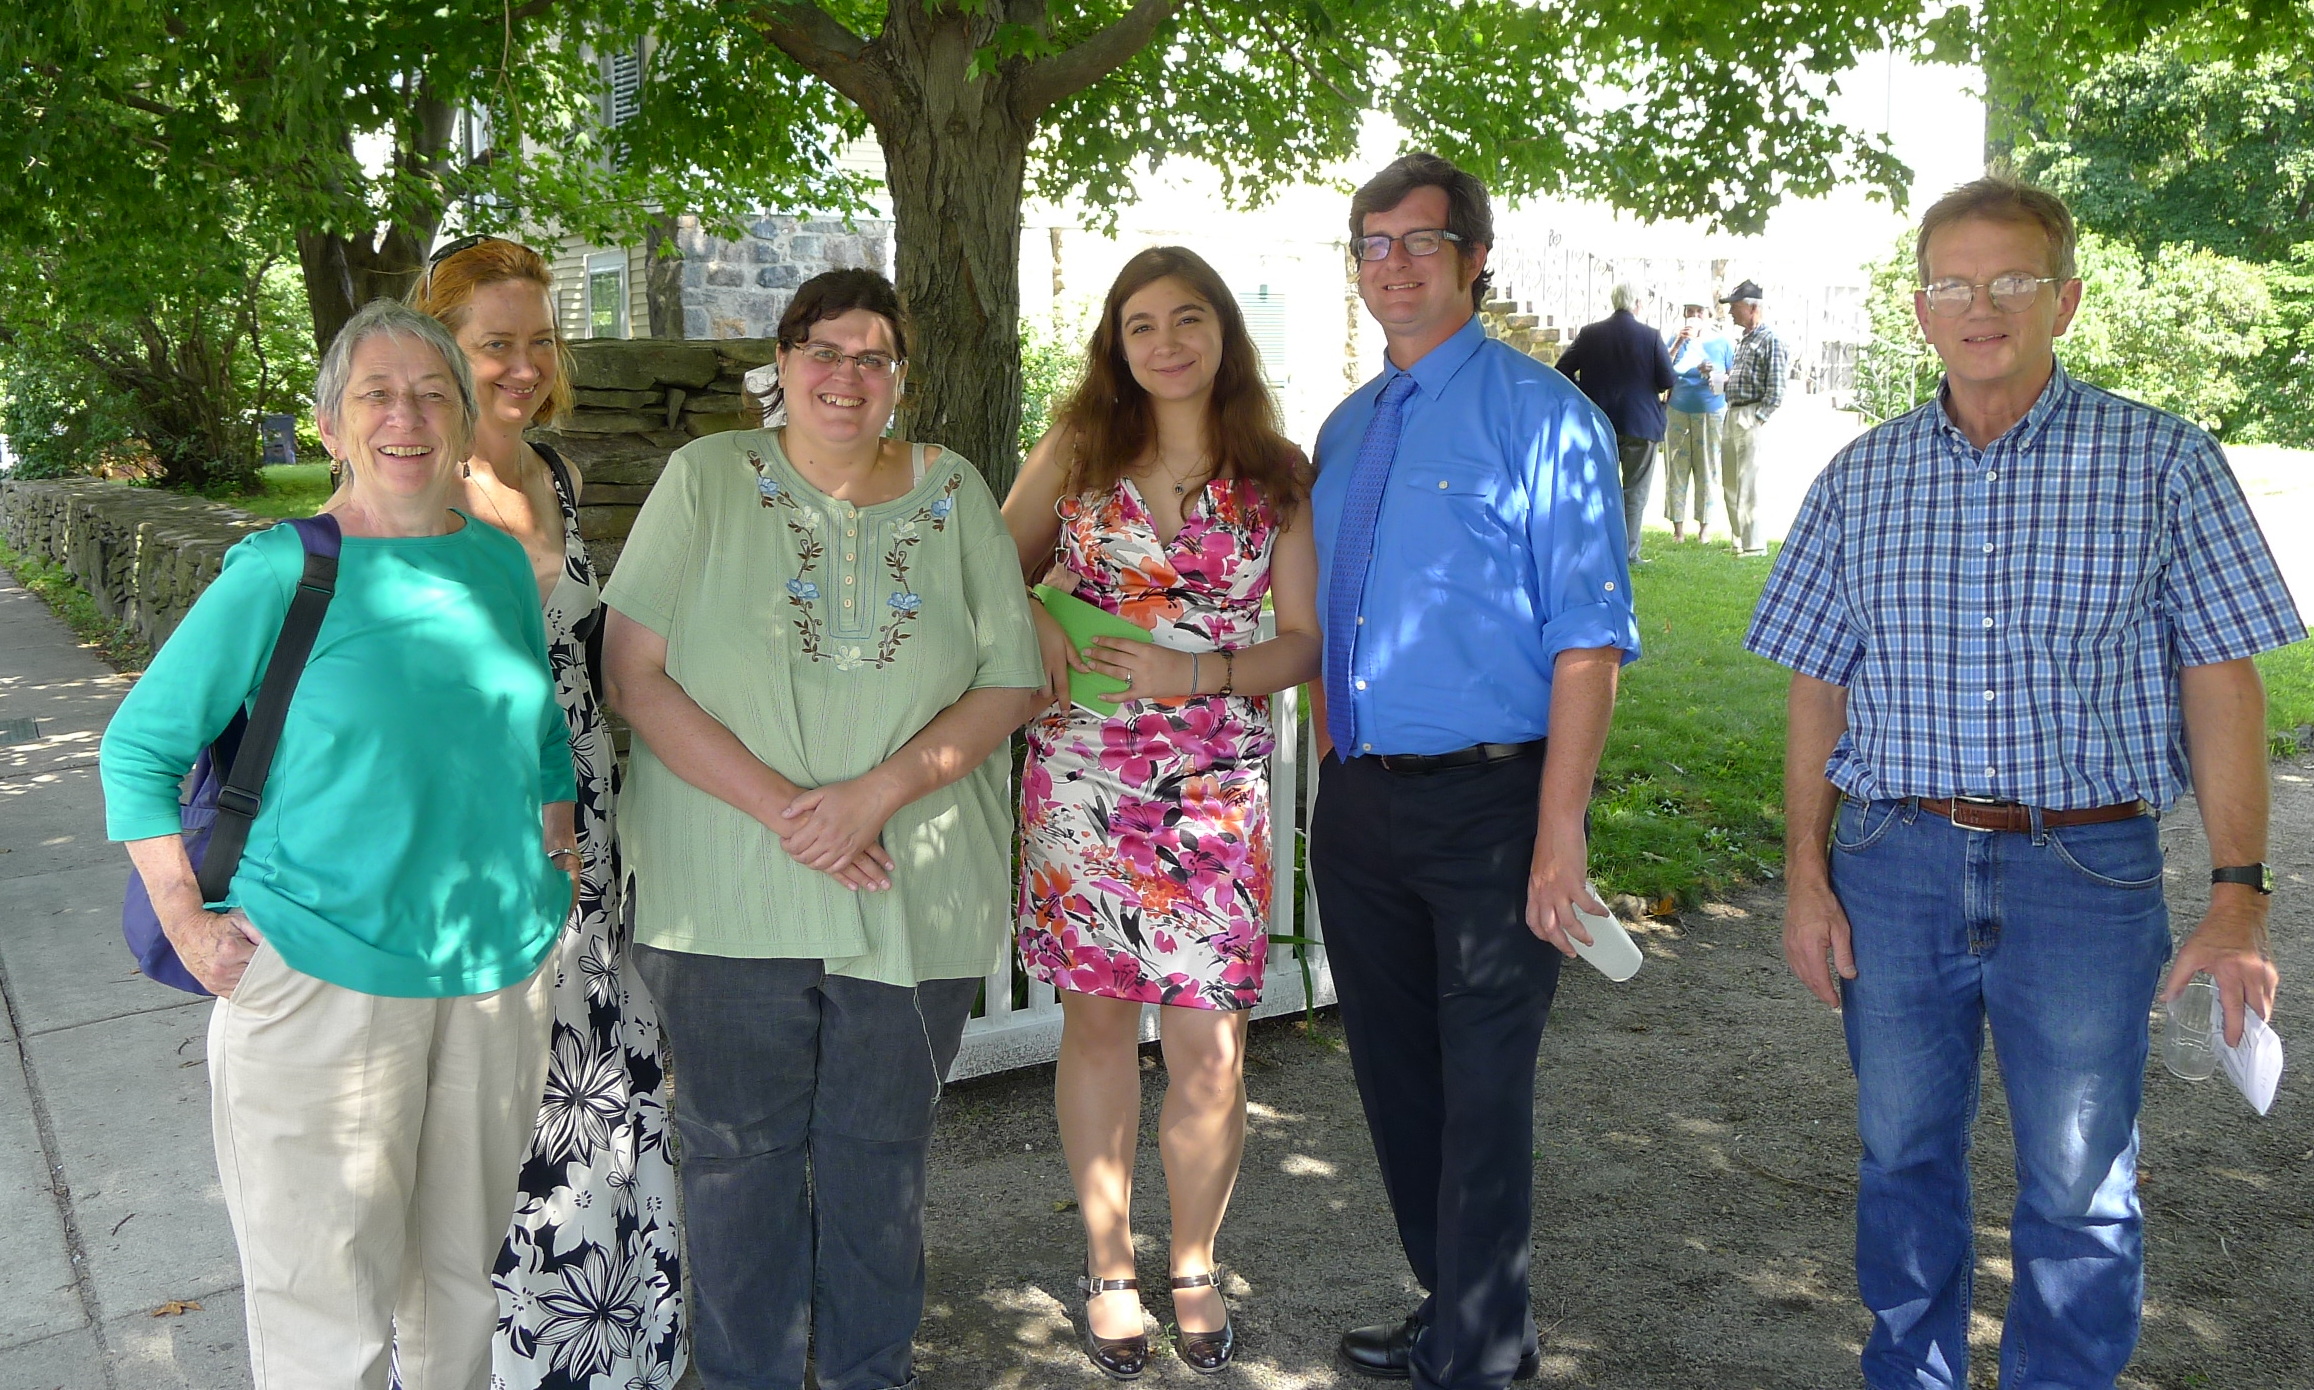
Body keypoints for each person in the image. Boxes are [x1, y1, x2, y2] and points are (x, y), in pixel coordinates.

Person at [1746, 177, 2302, 1390]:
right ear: (1918, 307)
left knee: (2082, 1178)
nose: (1979, 306)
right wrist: (1804, 875)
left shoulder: (2164, 462)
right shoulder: (1859, 478)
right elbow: (1815, 688)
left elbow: (2222, 682)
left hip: (2085, 870)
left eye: (2010, 281)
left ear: (2066, 298)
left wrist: (2238, 893)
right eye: (1953, 282)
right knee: (1900, 1156)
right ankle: (1911, 1372)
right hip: (1891, 862)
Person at [102, 299, 575, 1389]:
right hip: (318, 970)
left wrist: (556, 839)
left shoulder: (498, 564)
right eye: (377, 394)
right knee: (326, 1305)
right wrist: (188, 916)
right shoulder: (284, 568)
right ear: (330, 425)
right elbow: (136, 753)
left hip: (494, 973)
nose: (405, 416)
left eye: (430, 393)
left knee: (460, 1281)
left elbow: (534, 717)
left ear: (462, 420)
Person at [600, 268, 1045, 1390]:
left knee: (877, 1160)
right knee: (735, 1160)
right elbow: (634, 673)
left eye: (872, 355)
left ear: (900, 376)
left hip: (909, 889)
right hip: (727, 887)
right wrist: (793, 816)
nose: (845, 375)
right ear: (783, 364)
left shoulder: (956, 491)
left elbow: (1012, 682)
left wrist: (872, 796)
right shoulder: (705, 478)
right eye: (822, 350)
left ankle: (865, 1375)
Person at [1309, 151, 1641, 1389]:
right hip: (1360, 806)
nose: (1393, 264)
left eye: (1420, 242)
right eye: (1373, 244)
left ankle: (1481, 1357)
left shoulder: (1543, 417)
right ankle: (1456, 1306)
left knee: (1486, 1092)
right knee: (1399, 1080)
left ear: (1474, 258)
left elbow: (1589, 636)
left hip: (1497, 809)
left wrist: (1561, 835)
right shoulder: (1348, 426)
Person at [1004, 246, 1322, 1379]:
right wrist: (1037, 616)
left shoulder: (1275, 474)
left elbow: (1302, 641)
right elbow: (989, 559)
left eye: (1188, 319)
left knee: (1208, 1047)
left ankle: (1192, 1260)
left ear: (1223, 333)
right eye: (1141, 325)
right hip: (1082, 780)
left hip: (1210, 795)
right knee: (1094, 1026)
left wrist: (1199, 677)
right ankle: (1106, 1264)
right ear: (1117, 344)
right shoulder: (1080, 450)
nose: (1166, 342)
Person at [408, 235, 684, 1388]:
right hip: (484, 820)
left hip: (589, 807)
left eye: (536, 340)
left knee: (595, 1059)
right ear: (440, 349)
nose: (521, 365)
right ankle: (502, 1356)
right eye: (493, 344)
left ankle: (608, 1339)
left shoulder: (551, 471)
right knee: (503, 1081)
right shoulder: (417, 478)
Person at [1552, 281, 1676, 565]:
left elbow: (1562, 369)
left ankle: (1594, 547)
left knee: (1596, 487)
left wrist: (1584, 396)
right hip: (1641, 424)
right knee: (1635, 490)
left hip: (1597, 422)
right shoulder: (1651, 336)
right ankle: (1628, 552)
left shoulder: (1591, 334)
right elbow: (1667, 380)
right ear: (1637, 304)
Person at [1717, 279, 1790, 556]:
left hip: (1750, 413)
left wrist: (1759, 417)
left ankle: (1754, 543)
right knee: (1731, 480)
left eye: (1735, 307)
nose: (1731, 312)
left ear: (1752, 308)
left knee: (1749, 481)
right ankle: (1739, 540)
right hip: (1732, 411)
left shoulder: (1771, 339)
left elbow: (1777, 386)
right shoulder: (1745, 340)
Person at [1662, 299, 1733, 543]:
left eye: (1698, 311)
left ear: (1708, 315)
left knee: (1708, 468)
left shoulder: (1721, 342)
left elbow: (1731, 377)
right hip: (1679, 409)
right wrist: (1680, 342)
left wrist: (1712, 372)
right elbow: (1662, 370)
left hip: (1711, 410)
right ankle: (1678, 529)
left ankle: (1705, 528)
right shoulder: (1675, 339)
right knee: (1676, 468)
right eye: (1689, 311)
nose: (1693, 316)